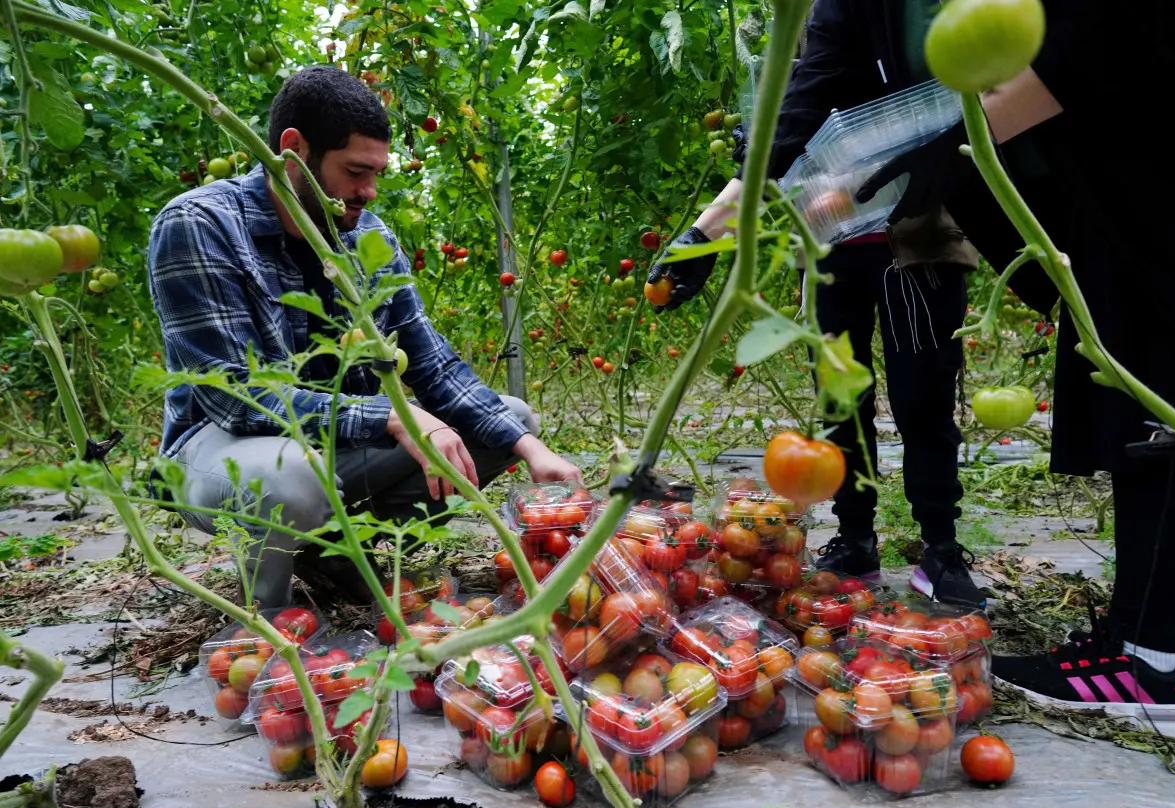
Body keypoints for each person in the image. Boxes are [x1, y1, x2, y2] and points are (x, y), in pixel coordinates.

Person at [858, 0, 1175, 739]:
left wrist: (962, 143)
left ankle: (1145, 659)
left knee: (1168, 402)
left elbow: (1116, 30)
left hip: (1162, 171)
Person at [148, 66, 582, 607]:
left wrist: (532, 450)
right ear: (293, 150)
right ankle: (269, 625)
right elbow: (234, 394)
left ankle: (333, 551)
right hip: (219, 447)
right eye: (355, 172)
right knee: (288, 480)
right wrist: (391, 415)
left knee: (509, 422)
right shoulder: (200, 224)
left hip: (329, 445)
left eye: (376, 173)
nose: (369, 192)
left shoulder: (367, 236)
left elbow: (433, 364)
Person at [650, 0, 1017, 608]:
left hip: (918, 233)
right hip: (827, 238)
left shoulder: (934, 16)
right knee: (839, 397)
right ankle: (854, 539)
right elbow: (792, 117)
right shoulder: (815, 20)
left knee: (922, 397)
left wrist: (709, 230)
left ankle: (941, 547)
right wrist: (709, 230)